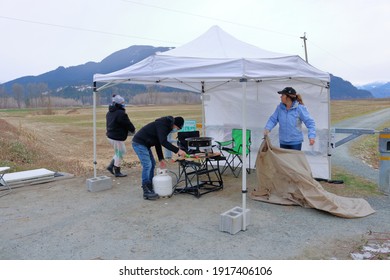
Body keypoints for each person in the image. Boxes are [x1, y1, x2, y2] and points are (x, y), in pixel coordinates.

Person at [132, 116, 187, 200]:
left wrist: (161, 158)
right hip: (139, 143)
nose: (176, 130)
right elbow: (163, 142)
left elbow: (158, 142)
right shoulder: (163, 125)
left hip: (145, 144)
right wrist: (178, 151)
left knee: (152, 164)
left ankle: (149, 186)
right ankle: (146, 190)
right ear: (175, 125)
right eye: (177, 128)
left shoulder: (167, 127)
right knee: (147, 165)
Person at [106, 95, 136, 177]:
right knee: (121, 152)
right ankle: (116, 170)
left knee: (119, 152)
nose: (123, 104)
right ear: (118, 104)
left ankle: (111, 166)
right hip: (116, 137)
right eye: (122, 103)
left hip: (111, 135)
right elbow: (127, 123)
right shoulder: (121, 113)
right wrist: (133, 130)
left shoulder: (109, 112)